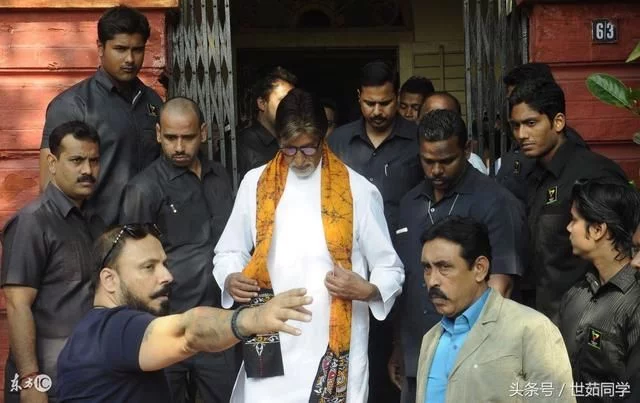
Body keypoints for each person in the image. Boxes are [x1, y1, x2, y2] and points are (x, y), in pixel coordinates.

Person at [213, 88, 404, 402]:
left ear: (323, 136)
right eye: (289, 149)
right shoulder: (255, 184)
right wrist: (231, 277)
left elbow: (389, 267)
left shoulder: (357, 190)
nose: (300, 159)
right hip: (270, 339)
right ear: (278, 140)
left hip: (333, 343)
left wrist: (369, 289)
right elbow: (229, 251)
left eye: (308, 148)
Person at [55, 224, 313, 402]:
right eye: (148, 267)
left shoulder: (88, 336)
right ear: (109, 280)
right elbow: (188, 332)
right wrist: (254, 318)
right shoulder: (112, 328)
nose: (167, 276)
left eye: (164, 264)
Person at [390, 109, 527, 403]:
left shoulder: (496, 202)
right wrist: (399, 346)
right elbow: (406, 281)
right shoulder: (410, 202)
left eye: (446, 160)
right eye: (428, 161)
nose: (436, 170)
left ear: (466, 150)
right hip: (417, 356)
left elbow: (501, 287)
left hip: (471, 360)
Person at [120, 97, 236, 402]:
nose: (179, 146)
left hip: (218, 321)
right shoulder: (144, 189)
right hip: (167, 326)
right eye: (171, 138)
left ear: (204, 132)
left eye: (188, 137)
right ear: (159, 134)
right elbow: (131, 264)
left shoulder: (220, 176)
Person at [416, 216, 575, 403]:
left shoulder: (531, 329)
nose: (432, 280)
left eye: (444, 267)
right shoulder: (431, 339)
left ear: (480, 268)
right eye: (427, 268)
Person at [508, 79, 627, 323]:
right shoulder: (527, 175)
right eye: (516, 125)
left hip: (589, 322)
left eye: (531, 123)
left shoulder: (593, 173)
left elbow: (621, 252)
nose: (522, 135)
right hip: (540, 320)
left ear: (558, 122)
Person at [1, 121, 102, 403]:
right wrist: (30, 380)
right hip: (46, 383)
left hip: (87, 378)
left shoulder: (95, 221)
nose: (87, 170)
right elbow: (17, 305)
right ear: (53, 163)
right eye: (76, 160)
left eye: (94, 161)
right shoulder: (32, 222)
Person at [39, 5, 163, 227]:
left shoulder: (153, 102)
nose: (130, 59)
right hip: (95, 236)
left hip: (148, 235)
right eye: (120, 49)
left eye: (137, 50)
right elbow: (50, 187)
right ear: (100, 47)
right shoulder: (72, 105)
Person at [560, 179, 640, 402]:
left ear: (597, 229)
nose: (568, 228)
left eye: (574, 220)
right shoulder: (576, 293)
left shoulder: (635, 302)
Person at [497, 63, 588, 204]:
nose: (513, 107)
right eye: (511, 100)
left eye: (519, 98)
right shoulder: (523, 140)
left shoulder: (570, 152)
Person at [236, 66, 297, 181]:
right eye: (283, 100)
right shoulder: (241, 145)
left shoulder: (296, 141)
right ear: (262, 103)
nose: (290, 106)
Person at [420, 91, 488, 175]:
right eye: (431, 117)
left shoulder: (474, 164)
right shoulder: (408, 159)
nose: (436, 170)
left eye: (447, 117)